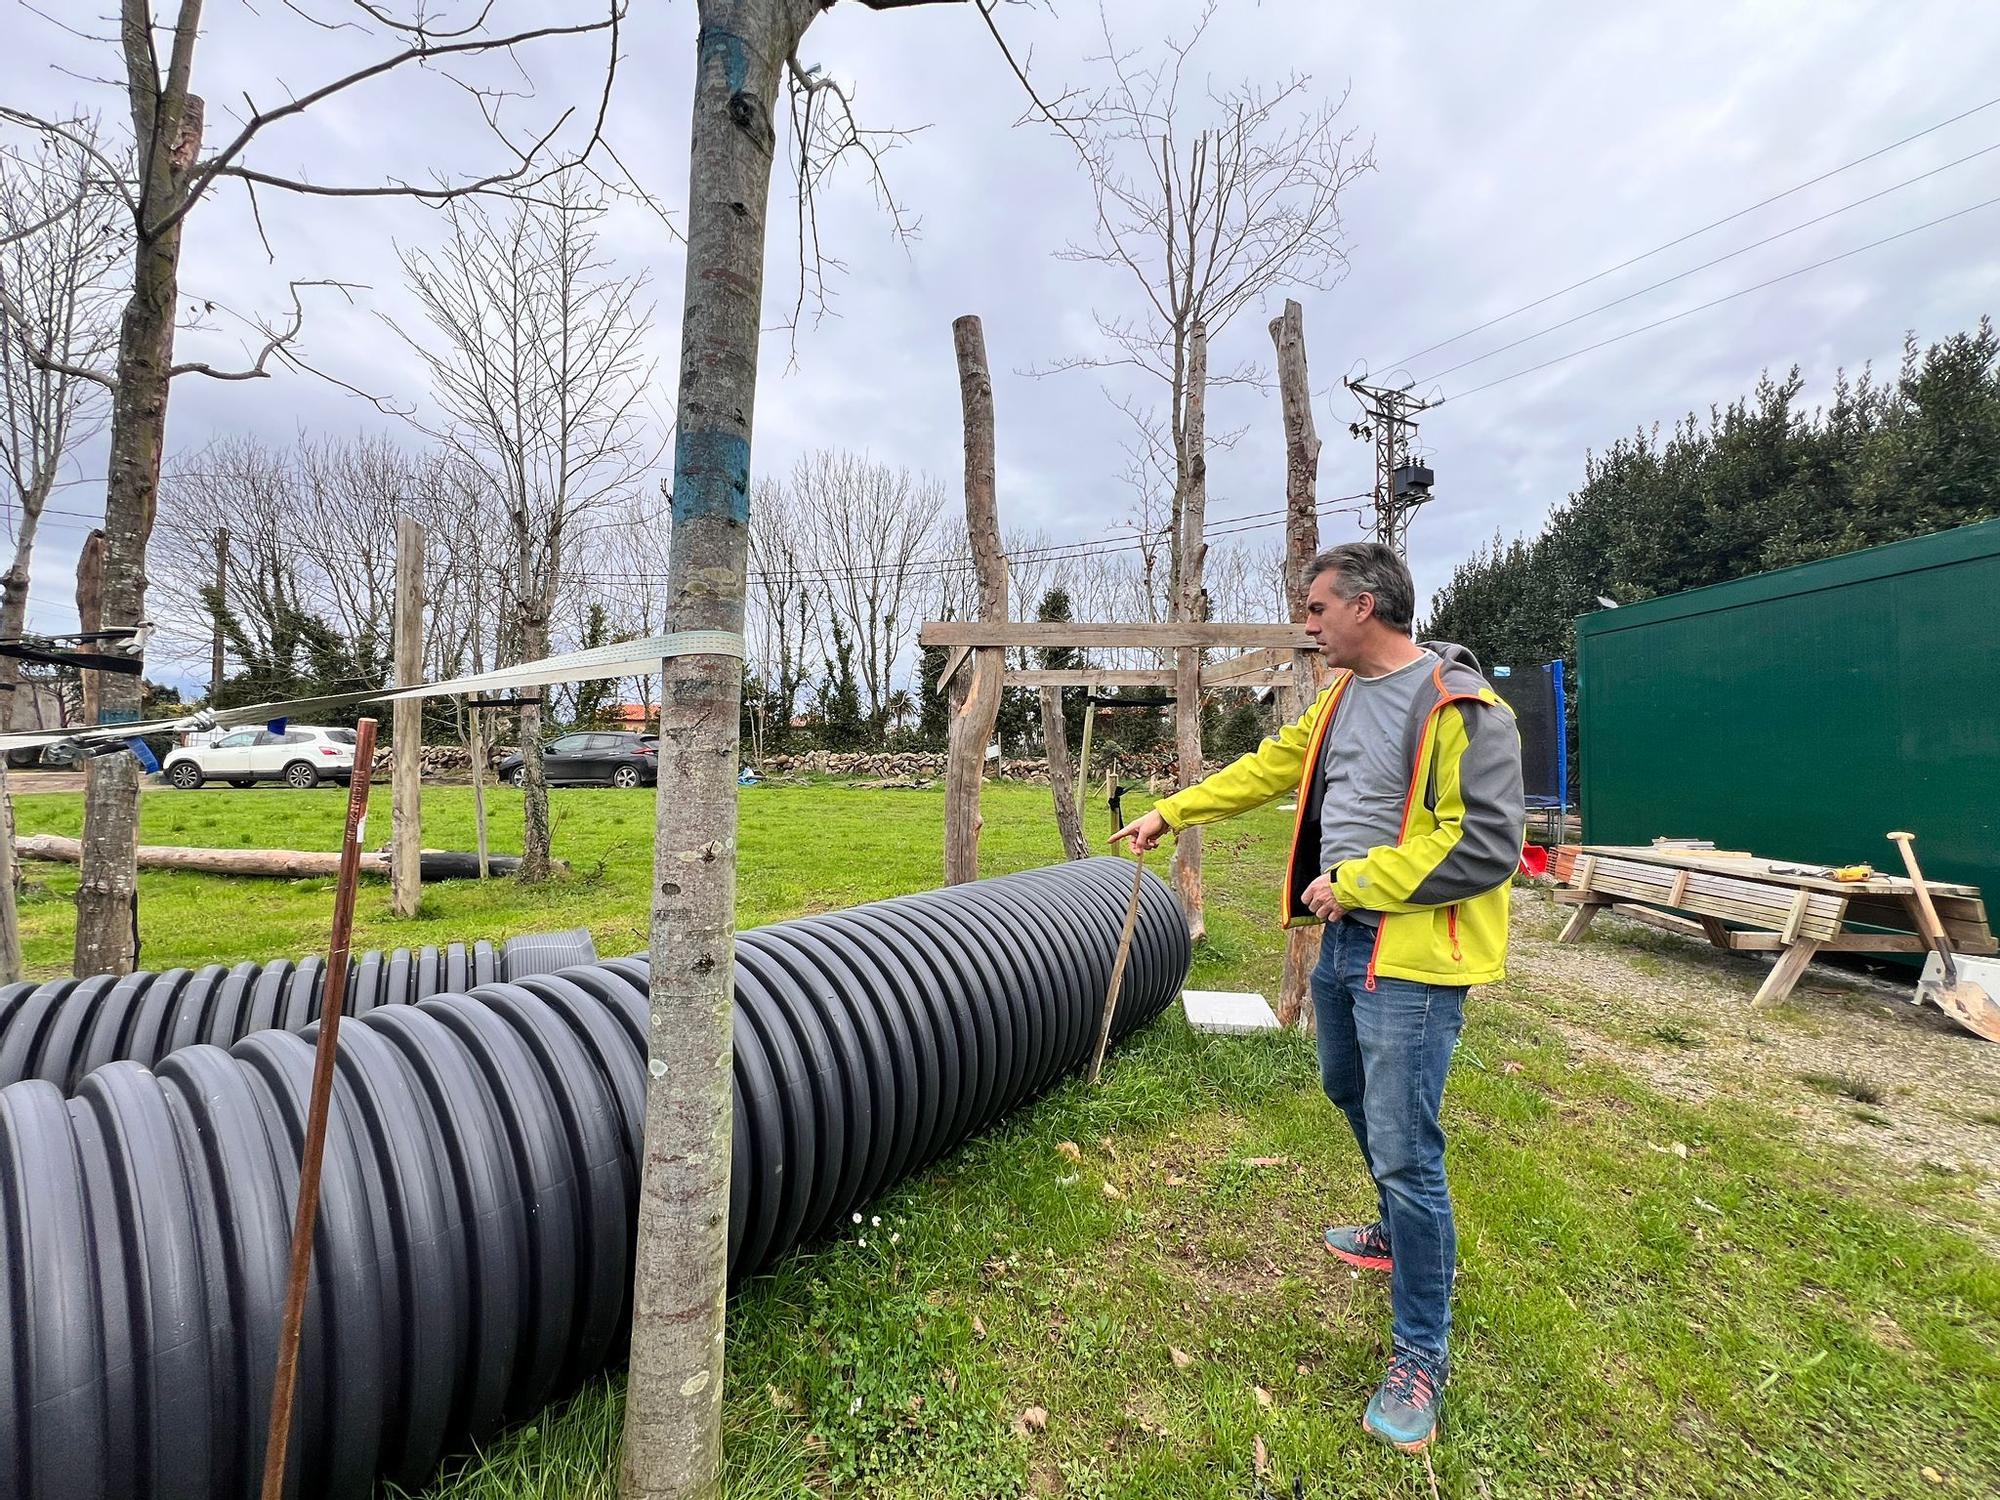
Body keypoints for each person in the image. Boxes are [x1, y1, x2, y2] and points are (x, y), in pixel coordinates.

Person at [1112, 541, 1524, 1453]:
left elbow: (1489, 843)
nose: (1306, 624)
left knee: (1408, 1146)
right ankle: (1393, 1229)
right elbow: (1268, 768)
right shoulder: (1339, 699)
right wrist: (1170, 811)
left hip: (1411, 957)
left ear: (1365, 606)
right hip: (1343, 942)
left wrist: (1361, 882)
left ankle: (1421, 1350)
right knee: (1348, 1091)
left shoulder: (1465, 709)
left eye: (1315, 608)